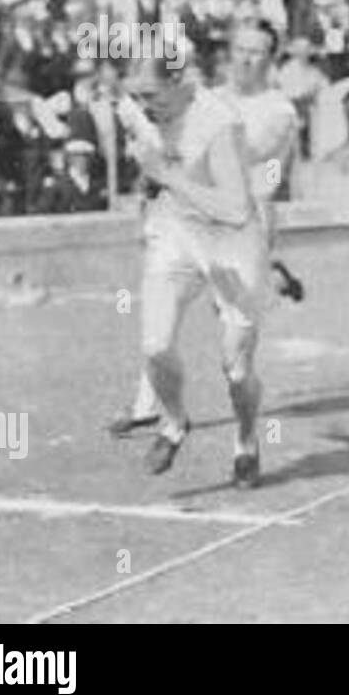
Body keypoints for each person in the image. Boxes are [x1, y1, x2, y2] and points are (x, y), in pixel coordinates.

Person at [110, 22, 303, 442]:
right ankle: (148, 406)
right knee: (163, 319)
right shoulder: (200, 96)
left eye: (256, 52)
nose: (246, 59)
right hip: (187, 220)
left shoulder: (278, 110)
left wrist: (178, 140)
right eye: (240, 49)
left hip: (241, 226)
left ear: (271, 59)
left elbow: (245, 155)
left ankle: (245, 429)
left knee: (234, 341)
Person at [111, 53, 270, 488]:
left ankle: (246, 441)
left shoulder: (217, 122)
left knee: (236, 368)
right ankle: (174, 423)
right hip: (176, 233)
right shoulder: (135, 110)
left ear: (180, 82)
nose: (144, 106)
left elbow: (236, 209)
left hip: (231, 244)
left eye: (152, 96)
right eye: (137, 96)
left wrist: (167, 176)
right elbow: (146, 157)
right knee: (155, 346)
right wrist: (147, 200)